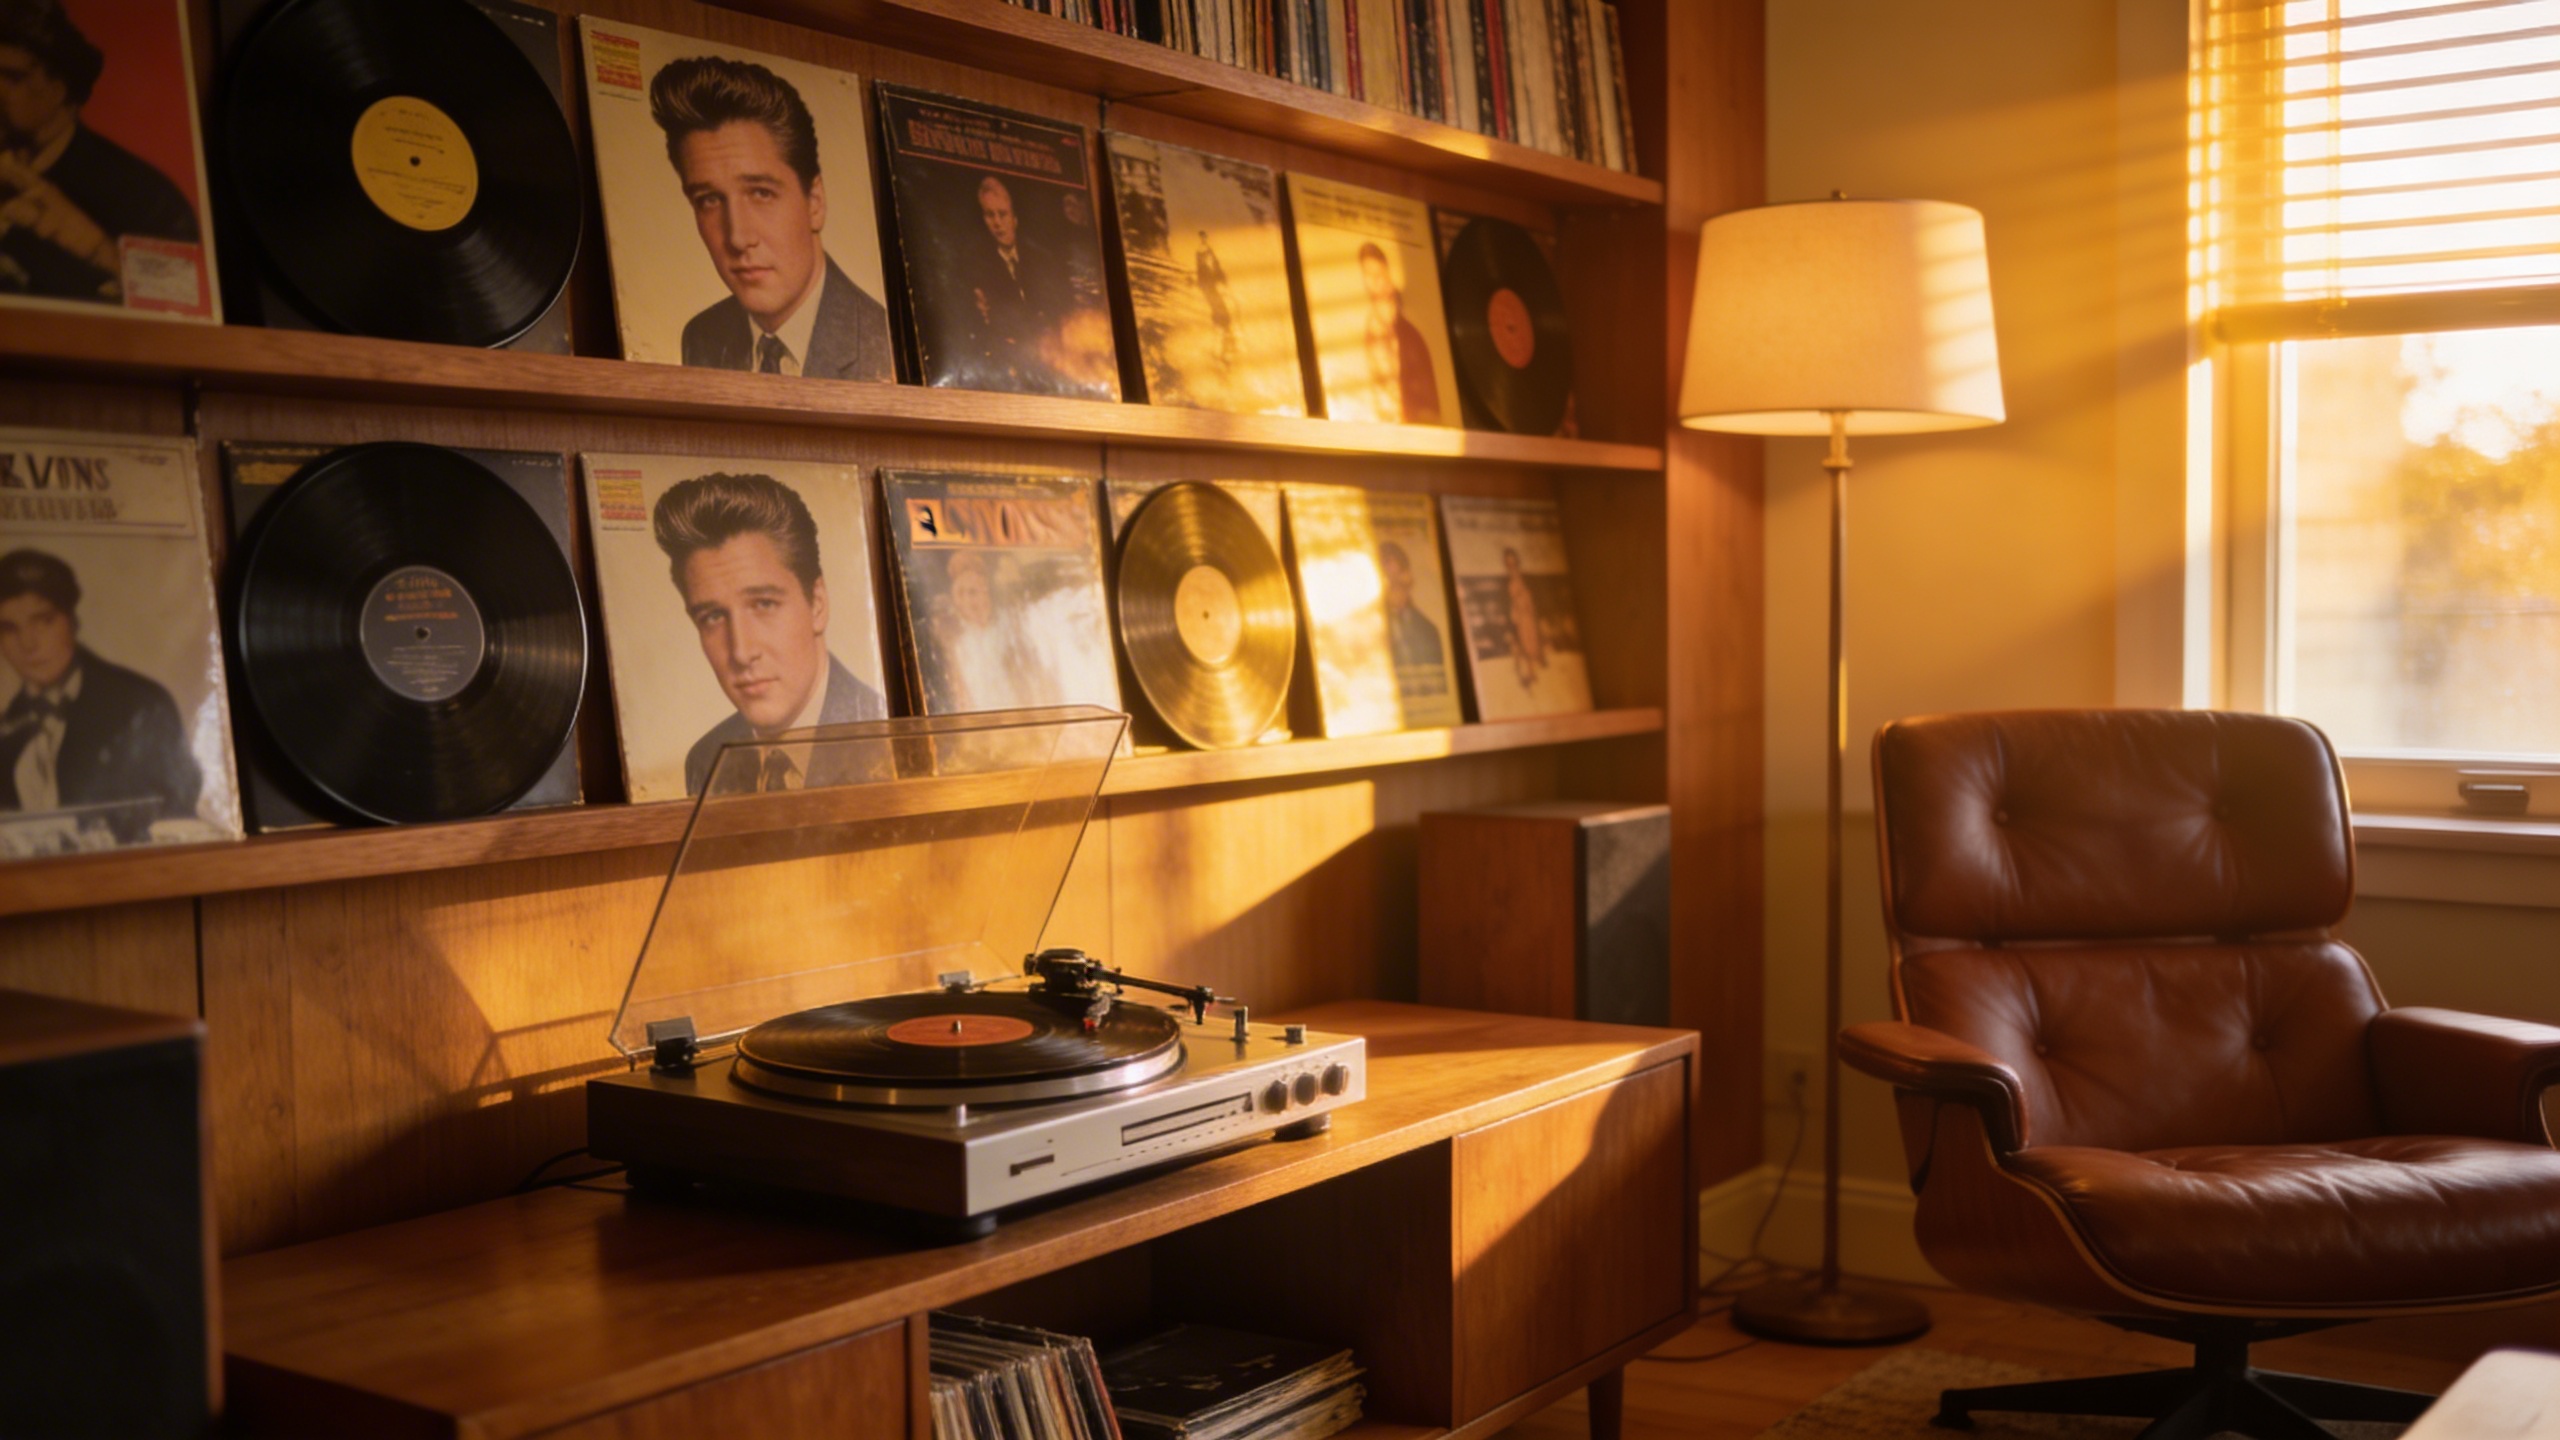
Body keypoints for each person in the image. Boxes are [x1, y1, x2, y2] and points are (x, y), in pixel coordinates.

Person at [648, 55, 893, 381]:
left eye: (761, 193)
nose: (737, 237)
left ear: (815, 202)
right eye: (709, 200)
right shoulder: (702, 336)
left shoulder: (881, 341)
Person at [651, 472, 884, 795]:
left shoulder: (887, 738)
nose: (742, 653)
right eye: (713, 616)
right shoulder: (706, 759)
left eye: (763, 604)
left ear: (817, 603)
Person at [0, 0, 199, 304]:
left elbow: (186, 295)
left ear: (61, 86)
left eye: (11, 77)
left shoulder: (148, 196)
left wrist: (97, 249)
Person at [0, 548, 199, 836]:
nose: (28, 643)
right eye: (8, 628)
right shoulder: (8, 729)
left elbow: (180, 817)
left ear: (72, 621)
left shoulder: (141, 705)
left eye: (43, 621)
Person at [959, 173, 1076, 390]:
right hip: (1007, 372)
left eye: (1002, 214)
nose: (997, 223)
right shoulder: (974, 268)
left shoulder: (1043, 260)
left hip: (1052, 364)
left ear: (1015, 217)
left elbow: (1060, 311)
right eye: (989, 215)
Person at [928, 548, 1055, 714]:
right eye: (965, 594)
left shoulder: (1007, 627)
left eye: (978, 592)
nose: (973, 601)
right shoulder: (955, 640)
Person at [1357, 242, 1441, 424]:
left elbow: (1429, 404)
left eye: (1379, 273)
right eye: (1368, 275)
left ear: (1387, 274)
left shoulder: (1412, 335)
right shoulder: (1370, 331)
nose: (1375, 280)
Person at [1377, 540, 1444, 676]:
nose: (1396, 592)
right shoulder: (1366, 632)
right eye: (1389, 583)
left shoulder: (1429, 631)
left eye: (1399, 580)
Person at [1502, 546, 1547, 689]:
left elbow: (1532, 595)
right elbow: (1510, 599)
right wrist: (1513, 611)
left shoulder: (1525, 576)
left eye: (1512, 561)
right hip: (1519, 615)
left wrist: (1530, 608)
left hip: (1529, 613)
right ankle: (1528, 672)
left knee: (1532, 641)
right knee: (1523, 642)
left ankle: (1535, 669)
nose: (1511, 565)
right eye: (1508, 562)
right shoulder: (1507, 580)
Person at [1193, 229, 1237, 371]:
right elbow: (1204, 276)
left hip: (1216, 294)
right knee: (1222, 321)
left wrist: (1223, 282)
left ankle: (1225, 354)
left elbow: (1218, 269)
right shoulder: (1201, 256)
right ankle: (1221, 355)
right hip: (1212, 295)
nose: (1204, 239)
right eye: (1202, 237)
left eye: (1204, 237)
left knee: (1225, 321)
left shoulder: (1210, 254)